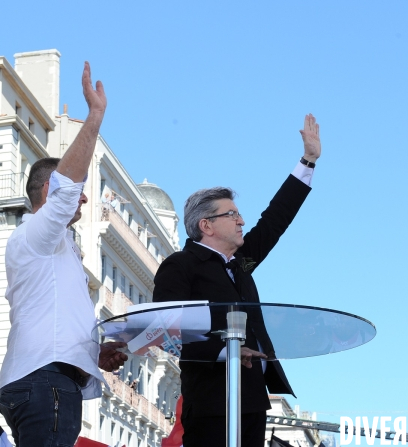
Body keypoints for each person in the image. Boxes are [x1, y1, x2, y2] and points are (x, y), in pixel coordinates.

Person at [152, 114, 322, 447]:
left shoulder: (240, 264)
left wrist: (308, 162)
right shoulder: (181, 266)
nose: (242, 220)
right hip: (211, 404)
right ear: (206, 225)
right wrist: (226, 351)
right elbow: (166, 329)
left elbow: (274, 220)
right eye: (232, 214)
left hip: (252, 402)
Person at [0, 62, 127, 447]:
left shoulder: (58, 248)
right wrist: (95, 117)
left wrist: (93, 353)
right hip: (45, 382)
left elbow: (55, 317)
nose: (84, 197)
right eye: (76, 190)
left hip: (47, 380)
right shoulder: (34, 234)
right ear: (47, 193)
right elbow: (68, 187)